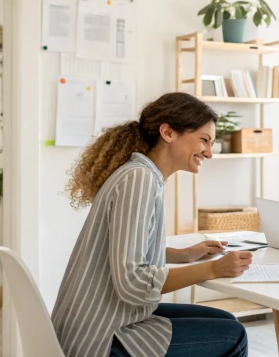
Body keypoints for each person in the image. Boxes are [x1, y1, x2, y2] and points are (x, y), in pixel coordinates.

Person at [51, 92, 251, 357]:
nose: (209, 153)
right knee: (234, 337)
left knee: (227, 322)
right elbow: (132, 283)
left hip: (97, 321)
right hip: (101, 336)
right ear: (168, 132)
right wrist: (213, 269)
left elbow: (124, 249)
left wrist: (183, 254)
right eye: (204, 140)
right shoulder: (139, 180)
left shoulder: (141, 175)